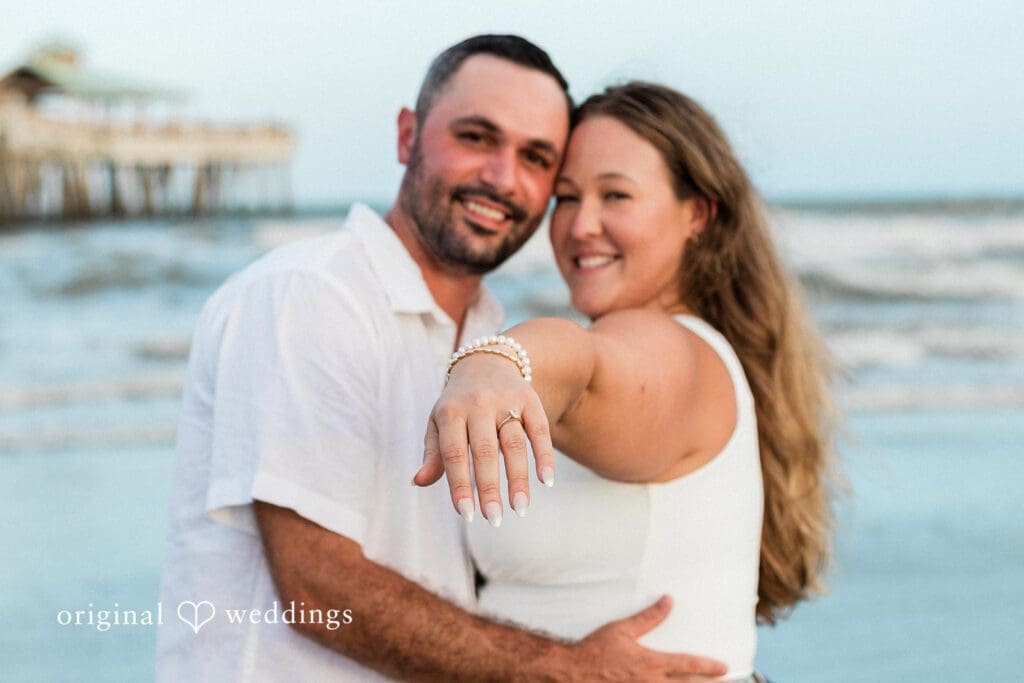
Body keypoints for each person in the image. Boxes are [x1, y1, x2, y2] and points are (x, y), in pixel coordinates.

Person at [156, 37, 728, 682]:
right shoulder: (311, 295)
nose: (502, 177)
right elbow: (317, 591)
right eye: (477, 137)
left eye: (536, 158)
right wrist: (564, 668)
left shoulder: (487, 330)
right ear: (408, 136)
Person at [416, 82, 839, 681]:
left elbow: (584, 369)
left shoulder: (675, 350)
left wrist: (495, 362)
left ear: (698, 213)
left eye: (616, 195)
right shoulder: (684, 350)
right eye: (566, 198)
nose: (582, 225)